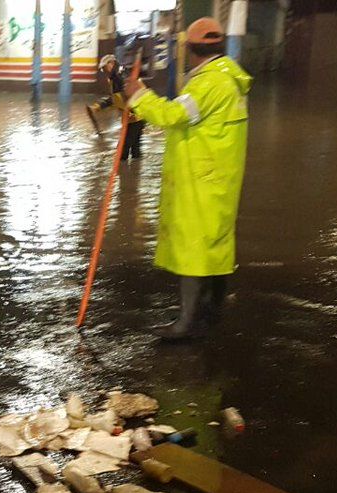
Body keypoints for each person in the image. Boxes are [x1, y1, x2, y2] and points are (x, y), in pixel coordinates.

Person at [124, 17, 251, 341]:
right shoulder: (230, 78)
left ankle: (187, 323)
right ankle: (211, 309)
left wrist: (139, 95)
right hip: (220, 177)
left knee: (194, 247)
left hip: (202, 181)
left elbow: (173, 115)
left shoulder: (209, 83)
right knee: (214, 244)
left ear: (191, 51)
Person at [89, 54, 144, 162]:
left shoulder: (120, 76)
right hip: (135, 116)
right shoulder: (116, 76)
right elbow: (115, 98)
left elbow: (130, 95)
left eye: (104, 68)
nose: (104, 71)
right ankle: (134, 169)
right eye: (103, 69)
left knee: (122, 150)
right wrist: (99, 106)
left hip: (135, 117)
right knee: (135, 149)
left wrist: (132, 112)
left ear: (111, 63)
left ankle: (124, 170)